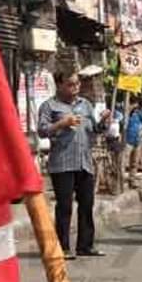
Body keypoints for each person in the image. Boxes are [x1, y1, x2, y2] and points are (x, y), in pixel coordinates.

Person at [37, 71, 110, 260]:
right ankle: (63, 247)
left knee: (87, 204)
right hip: (62, 163)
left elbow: (94, 129)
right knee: (64, 206)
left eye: (77, 84)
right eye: (70, 84)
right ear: (59, 85)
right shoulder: (49, 106)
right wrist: (62, 123)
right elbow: (42, 131)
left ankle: (85, 245)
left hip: (84, 161)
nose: (75, 88)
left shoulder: (85, 105)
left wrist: (104, 122)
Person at [125, 97, 142, 188]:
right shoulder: (126, 114)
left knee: (134, 163)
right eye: (133, 104)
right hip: (127, 140)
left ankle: (132, 181)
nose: (134, 106)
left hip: (137, 140)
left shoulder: (139, 114)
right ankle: (121, 181)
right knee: (124, 162)